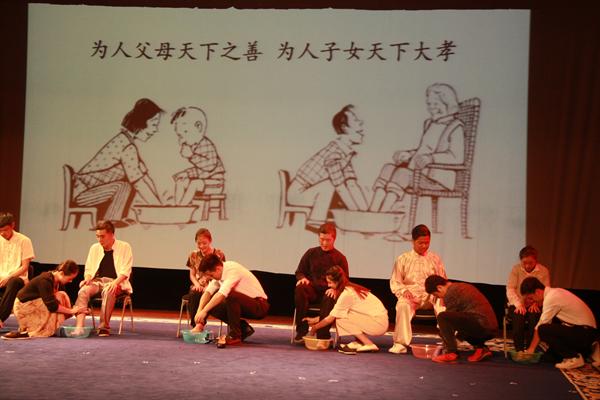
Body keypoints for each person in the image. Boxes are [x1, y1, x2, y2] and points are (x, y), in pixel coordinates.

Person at [370, 83, 464, 213]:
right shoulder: (430, 124)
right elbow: (424, 149)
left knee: (402, 174)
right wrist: (409, 154)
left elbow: (457, 157)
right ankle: (372, 212)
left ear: (448, 104)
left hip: (438, 180)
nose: (431, 108)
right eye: (429, 104)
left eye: (436, 104)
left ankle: (383, 215)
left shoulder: (455, 126)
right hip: (421, 174)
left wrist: (431, 158)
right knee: (388, 168)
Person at [72, 98, 163, 226]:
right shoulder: (126, 146)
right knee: (123, 186)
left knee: (126, 185)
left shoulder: (128, 142)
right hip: (82, 194)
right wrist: (158, 209)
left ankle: (117, 217)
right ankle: (110, 220)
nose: (156, 130)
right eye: (154, 124)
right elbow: (139, 183)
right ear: (141, 123)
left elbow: (145, 178)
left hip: (95, 190)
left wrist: (159, 204)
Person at [287, 104, 368, 231]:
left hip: (312, 192)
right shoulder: (334, 153)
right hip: (298, 193)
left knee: (336, 188)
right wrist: (358, 215)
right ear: (344, 128)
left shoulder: (345, 153)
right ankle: (315, 222)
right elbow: (340, 187)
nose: (361, 123)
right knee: (330, 184)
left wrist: (365, 211)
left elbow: (352, 184)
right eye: (356, 120)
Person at [389, 224, 446, 354]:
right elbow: (396, 281)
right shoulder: (403, 259)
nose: (424, 246)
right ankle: (401, 343)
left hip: (431, 295)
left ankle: (449, 340)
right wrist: (404, 291)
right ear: (413, 241)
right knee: (402, 304)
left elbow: (443, 281)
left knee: (443, 301)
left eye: (427, 243)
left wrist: (440, 293)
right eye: (421, 243)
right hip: (412, 296)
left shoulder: (435, 259)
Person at [305, 266, 388, 354]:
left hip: (378, 323)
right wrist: (315, 320)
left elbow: (331, 318)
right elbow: (334, 314)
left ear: (337, 282)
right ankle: (360, 341)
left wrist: (314, 328)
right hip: (377, 320)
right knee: (343, 315)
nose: (328, 285)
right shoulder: (349, 288)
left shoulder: (347, 294)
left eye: (330, 283)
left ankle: (369, 344)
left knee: (340, 319)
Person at [71, 220, 133, 337]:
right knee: (83, 290)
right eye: (97, 236)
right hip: (98, 282)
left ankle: (104, 327)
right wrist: (87, 278)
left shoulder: (125, 247)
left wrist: (115, 283)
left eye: (102, 236)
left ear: (112, 234)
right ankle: (79, 327)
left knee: (109, 290)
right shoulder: (94, 248)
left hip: (117, 282)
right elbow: (89, 269)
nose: (99, 239)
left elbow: (125, 271)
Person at [192, 254, 269, 348]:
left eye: (211, 275)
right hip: (243, 304)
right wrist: (199, 311)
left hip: (259, 306)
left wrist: (204, 311)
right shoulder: (220, 272)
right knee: (212, 304)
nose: (211, 278)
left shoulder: (232, 270)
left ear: (218, 269)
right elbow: (208, 292)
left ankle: (235, 335)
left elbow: (221, 294)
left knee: (230, 296)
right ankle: (243, 328)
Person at [521, 277, 599, 369]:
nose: (532, 301)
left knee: (543, 329)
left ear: (537, 292)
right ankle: (585, 353)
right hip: (585, 334)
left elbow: (540, 326)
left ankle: (574, 357)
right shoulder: (555, 292)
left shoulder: (551, 298)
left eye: (531, 298)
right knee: (548, 358)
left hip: (585, 334)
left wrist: (531, 350)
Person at [293, 222, 349, 343]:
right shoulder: (311, 253)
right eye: (321, 239)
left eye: (327, 240)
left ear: (334, 239)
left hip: (328, 293)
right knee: (301, 288)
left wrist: (336, 289)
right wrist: (302, 278)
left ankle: (322, 334)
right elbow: (299, 271)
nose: (324, 243)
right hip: (312, 291)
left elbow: (345, 281)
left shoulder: (340, 258)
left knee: (330, 295)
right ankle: (301, 331)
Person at [425, 274, 499, 363]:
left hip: (482, 325)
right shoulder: (460, 287)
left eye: (436, 295)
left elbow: (448, 322)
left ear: (439, 287)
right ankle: (481, 349)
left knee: (442, 317)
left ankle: (451, 353)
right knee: (460, 328)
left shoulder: (451, 292)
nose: (439, 297)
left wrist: (445, 341)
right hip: (489, 328)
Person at [2, 260, 84, 339]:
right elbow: (52, 306)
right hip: (24, 308)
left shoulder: (58, 282)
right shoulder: (45, 280)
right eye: (70, 278)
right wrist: (71, 311)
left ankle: (51, 327)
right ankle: (33, 329)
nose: (71, 281)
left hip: (36, 304)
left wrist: (78, 310)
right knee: (59, 296)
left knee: (61, 295)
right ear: (61, 273)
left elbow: (67, 302)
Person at [170, 106, 226, 206]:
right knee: (181, 182)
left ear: (198, 127)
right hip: (205, 181)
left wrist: (191, 156)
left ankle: (183, 208)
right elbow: (200, 170)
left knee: (194, 184)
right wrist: (186, 173)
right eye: (180, 135)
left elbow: (209, 167)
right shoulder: (195, 145)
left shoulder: (206, 144)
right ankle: (178, 207)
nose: (182, 140)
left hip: (216, 183)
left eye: (185, 132)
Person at [506, 245, 550, 351]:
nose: (527, 265)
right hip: (518, 302)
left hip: (536, 303)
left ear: (536, 260)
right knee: (518, 317)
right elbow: (510, 288)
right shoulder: (516, 269)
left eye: (530, 263)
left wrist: (536, 302)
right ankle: (519, 350)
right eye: (524, 263)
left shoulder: (543, 271)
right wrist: (518, 304)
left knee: (534, 317)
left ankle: (531, 349)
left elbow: (546, 290)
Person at [0, 212, 35, 330]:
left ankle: (0, 318)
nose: (2, 233)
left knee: (13, 282)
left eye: (5, 230)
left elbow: (25, 267)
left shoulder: (24, 240)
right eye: (0, 231)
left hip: (18, 278)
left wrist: (8, 277)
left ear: (12, 225)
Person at [185, 227, 225, 327]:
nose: (201, 246)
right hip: (199, 285)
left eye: (204, 243)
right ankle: (196, 324)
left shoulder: (218, 254)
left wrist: (209, 287)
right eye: (199, 243)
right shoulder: (193, 255)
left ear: (210, 241)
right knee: (194, 294)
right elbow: (192, 274)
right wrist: (197, 284)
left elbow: (221, 274)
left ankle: (200, 324)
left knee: (209, 296)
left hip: (214, 286)